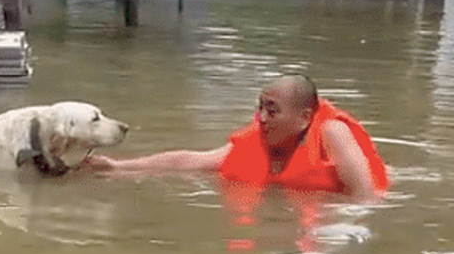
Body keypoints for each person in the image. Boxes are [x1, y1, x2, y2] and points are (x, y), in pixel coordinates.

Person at [86, 75, 388, 200]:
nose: (262, 118)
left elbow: (367, 199)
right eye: (260, 108)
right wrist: (117, 168)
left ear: (305, 118)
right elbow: (192, 161)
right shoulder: (260, 137)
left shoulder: (333, 133)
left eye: (273, 110)